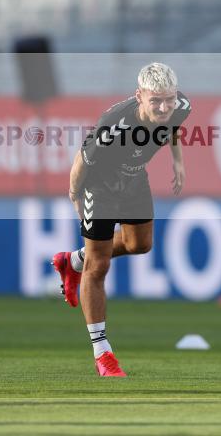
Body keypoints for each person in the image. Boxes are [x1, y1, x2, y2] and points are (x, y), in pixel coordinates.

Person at [52, 63, 190, 377]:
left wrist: (178, 162)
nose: (164, 106)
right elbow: (80, 163)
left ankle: (72, 261)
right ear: (139, 96)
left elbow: (174, 126)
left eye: (168, 99)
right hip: (98, 186)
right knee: (98, 265)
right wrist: (75, 196)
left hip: (133, 180)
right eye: (155, 100)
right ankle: (103, 354)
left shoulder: (180, 106)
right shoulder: (113, 125)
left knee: (140, 244)